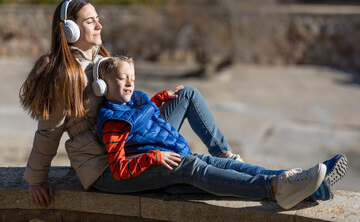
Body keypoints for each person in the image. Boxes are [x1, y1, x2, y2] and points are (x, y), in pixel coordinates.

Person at [18, 0, 247, 208]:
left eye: (98, 20)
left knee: (186, 94)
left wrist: (157, 100)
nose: (99, 26)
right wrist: (36, 180)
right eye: (90, 21)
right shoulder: (65, 77)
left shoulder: (103, 62)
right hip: (109, 163)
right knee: (189, 169)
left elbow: (127, 106)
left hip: (133, 140)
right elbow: (48, 132)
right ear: (70, 30)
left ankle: (225, 155)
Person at [92, 55, 348, 209]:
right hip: (154, 165)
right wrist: (154, 158)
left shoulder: (134, 99)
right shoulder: (114, 124)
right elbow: (119, 170)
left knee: (219, 163)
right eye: (121, 78)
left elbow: (142, 110)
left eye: (132, 77)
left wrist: (161, 97)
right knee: (196, 166)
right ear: (103, 87)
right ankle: (276, 186)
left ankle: (301, 180)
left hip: (167, 151)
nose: (129, 83)